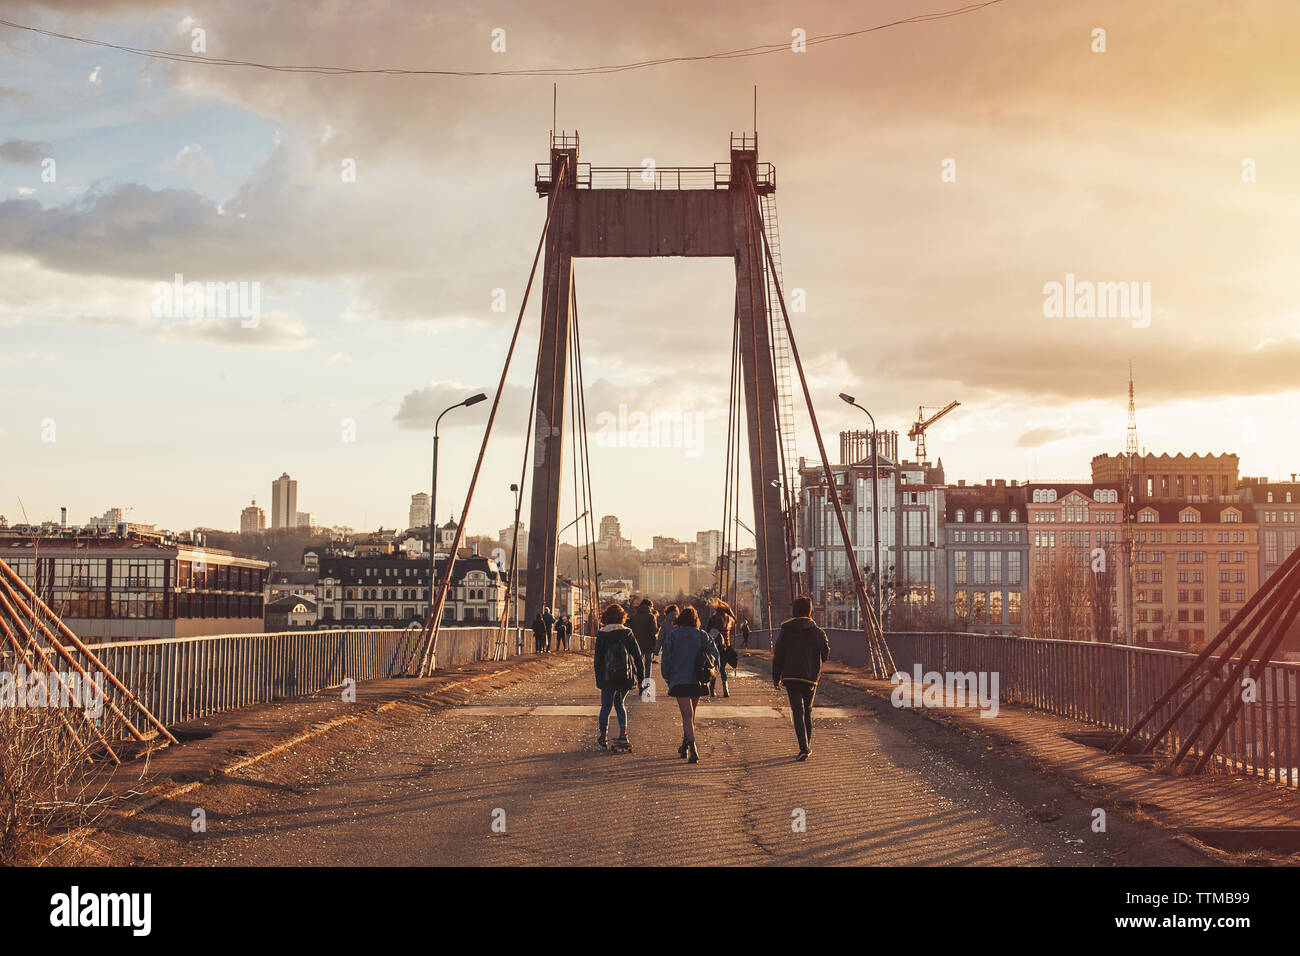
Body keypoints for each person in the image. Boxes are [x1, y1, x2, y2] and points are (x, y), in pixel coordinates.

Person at [772, 595, 831, 761]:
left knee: (797, 711)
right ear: (810, 610)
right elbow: (826, 654)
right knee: (808, 711)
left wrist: (776, 678)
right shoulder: (818, 632)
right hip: (810, 678)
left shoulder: (786, 630)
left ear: (794, 610)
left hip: (791, 677)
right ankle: (807, 746)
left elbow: (779, 656)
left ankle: (804, 748)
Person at [659, 605, 716, 764]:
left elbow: (666, 659)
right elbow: (714, 655)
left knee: (687, 715)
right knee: (691, 715)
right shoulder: (702, 635)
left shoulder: (673, 636)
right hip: (698, 680)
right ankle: (684, 746)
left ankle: (693, 748)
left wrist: (667, 677)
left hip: (679, 680)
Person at [593, 604, 645, 751]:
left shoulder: (602, 634)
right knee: (620, 704)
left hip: (607, 678)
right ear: (623, 616)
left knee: (606, 707)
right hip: (625, 677)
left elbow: (598, 660)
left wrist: (600, 680)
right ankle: (623, 734)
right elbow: (637, 657)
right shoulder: (627, 633)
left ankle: (603, 736)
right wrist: (640, 679)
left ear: (606, 617)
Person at [706, 602, 736, 698]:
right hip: (726, 648)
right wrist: (728, 609)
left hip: (715, 647)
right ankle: (725, 689)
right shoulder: (729, 619)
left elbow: (708, 633)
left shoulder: (713, 619)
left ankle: (712, 690)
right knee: (722, 669)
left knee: (714, 668)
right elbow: (734, 618)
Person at [628, 598, 659, 687]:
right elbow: (653, 632)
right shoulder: (651, 616)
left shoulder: (634, 616)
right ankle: (646, 682)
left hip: (636, 643)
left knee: (637, 663)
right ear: (650, 606)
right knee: (648, 664)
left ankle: (638, 679)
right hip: (648, 644)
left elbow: (631, 630)